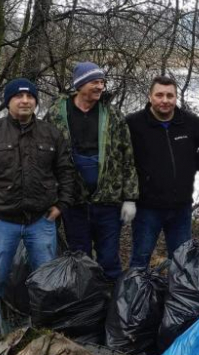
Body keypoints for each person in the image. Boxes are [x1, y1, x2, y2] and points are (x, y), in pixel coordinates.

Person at [0, 78, 75, 353]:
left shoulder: (50, 134)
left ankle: (46, 331)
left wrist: (61, 205)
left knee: (46, 280)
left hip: (41, 221)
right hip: (2, 221)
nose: (25, 100)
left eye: (30, 96)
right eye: (18, 96)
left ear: (36, 102)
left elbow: (67, 172)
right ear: (8, 101)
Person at [46, 62, 138, 280]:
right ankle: (86, 308)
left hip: (108, 202)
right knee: (80, 259)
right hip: (73, 202)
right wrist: (51, 196)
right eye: (95, 82)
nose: (100, 87)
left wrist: (130, 198)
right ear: (80, 85)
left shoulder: (113, 115)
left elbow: (128, 156)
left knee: (109, 260)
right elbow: (46, 160)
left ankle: (112, 308)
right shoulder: (56, 115)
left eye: (102, 82)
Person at [126, 75, 199, 267]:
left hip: (181, 206)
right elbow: (121, 160)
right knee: (141, 258)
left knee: (182, 261)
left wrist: (194, 165)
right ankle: (136, 295)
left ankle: (178, 296)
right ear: (150, 96)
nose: (165, 100)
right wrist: (127, 197)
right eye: (159, 95)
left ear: (176, 97)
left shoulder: (190, 123)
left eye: (170, 96)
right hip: (147, 207)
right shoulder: (133, 124)